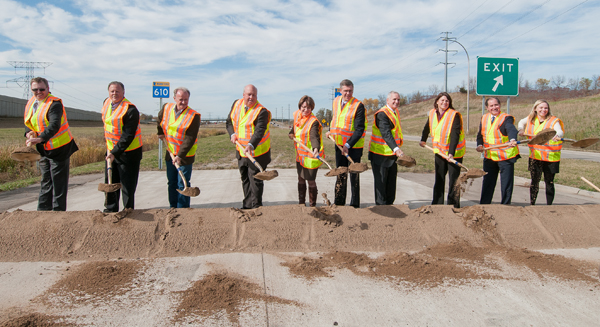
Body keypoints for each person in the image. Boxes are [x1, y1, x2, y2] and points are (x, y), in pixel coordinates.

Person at [24, 77, 79, 211]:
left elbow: (54, 125)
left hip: (60, 148)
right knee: (46, 181)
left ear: (48, 89)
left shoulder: (54, 103)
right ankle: (43, 212)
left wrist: (41, 138)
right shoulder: (32, 102)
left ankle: (58, 214)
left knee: (58, 183)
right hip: (43, 148)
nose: (38, 92)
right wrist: (28, 133)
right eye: (35, 89)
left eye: (42, 89)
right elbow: (28, 122)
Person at [226, 84, 271, 209]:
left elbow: (259, 131)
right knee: (245, 179)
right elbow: (229, 122)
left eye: (254, 95)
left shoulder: (261, 111)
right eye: (249, 94)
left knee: (255, 180)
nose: (251, 97)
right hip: (241, 152)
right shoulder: (236, 104)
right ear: (243, 95)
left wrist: (251, 145)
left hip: (258, 153)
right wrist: (232, 133)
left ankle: (256, 208)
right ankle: (247, 206)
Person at [101, 81, 143, 212]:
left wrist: (115, 152)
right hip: (111, 151)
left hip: (129, 153)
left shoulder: (130, 109)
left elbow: (128, 136)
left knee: (127, 185)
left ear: (123, 93)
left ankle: (128, 210)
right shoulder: (106, 103)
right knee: (111, 181)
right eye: (112, 91)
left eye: (117, 91)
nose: (114, 93)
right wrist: (111, 151)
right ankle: (110, 209)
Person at [419, 92, 466, 208]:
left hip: (454, 154)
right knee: (439, 179)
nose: (444, 102)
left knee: (454, 181)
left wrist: (451, 153)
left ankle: (453, 205)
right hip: (439, 153)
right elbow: (427, 127)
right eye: (442, 100)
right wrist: (423, 139)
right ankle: (437, 204)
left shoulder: (454, 115)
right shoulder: (432, 113)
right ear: (437, 102)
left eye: (447, 101)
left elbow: (455, 134)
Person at [325, 79, 366, 208]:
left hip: (353, 147)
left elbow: (359, 129)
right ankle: (339, 204)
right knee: (340, 175)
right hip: (339, 146)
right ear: (340, 91)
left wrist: (348, 145)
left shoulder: (358, 105)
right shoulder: (336, 102)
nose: (348, 93)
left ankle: (354, 206)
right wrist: (329, 130)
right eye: (346, 91)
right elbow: (335, 119)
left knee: (354, 177)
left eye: (350, 91)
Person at [157, 87, 200, 208]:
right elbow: (160, 119)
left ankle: (183, 210)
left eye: (186, 100)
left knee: (183, 184)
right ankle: (173, 207)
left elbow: (190, 138)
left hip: (185, 155)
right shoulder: (166, 108)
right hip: (170, 151)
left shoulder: (193, 115)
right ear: (174, 98)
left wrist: (180, 156)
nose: (184, 102)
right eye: (181, 99)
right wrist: (160, 131)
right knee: (172, 182)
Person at [517, 100, 564, 205]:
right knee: (534, 182)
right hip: (535, 156)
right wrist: (520, 129)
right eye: (541, 108)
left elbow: (559, 131)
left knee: (549, 182)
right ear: (535, 109)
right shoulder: (530, 118)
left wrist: (558, 136)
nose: (543, 110)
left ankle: (549, 205)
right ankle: (532, 204)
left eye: (545, 108)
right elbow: (521, 122)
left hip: (550, 157)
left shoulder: (553, 120)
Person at [476, 97, 520, 204]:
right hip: (489, 156)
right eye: (491, 106)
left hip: (505, 156)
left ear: (500, 105)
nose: (494, 107)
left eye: (496, 105)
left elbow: (511, 129)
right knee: (488, 182)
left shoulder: (506, 118)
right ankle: (484, 205)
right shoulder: (484, 118)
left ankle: (505, 205)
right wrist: (479, 145)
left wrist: (513, 139)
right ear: (487, 108)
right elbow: (480, 135)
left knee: (506, 183)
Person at [368, 91, 404, 205]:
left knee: (391, 184)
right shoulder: (382, 114)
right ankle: (381, 209)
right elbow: (386, 133)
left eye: (398, 99)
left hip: (391, 155)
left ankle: (390, 207)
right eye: (394, 99)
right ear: (387, 100)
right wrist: (396, 148)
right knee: (381, 184)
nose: (396, 101)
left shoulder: (395, 112)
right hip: (379, 154)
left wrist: (395, 150)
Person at [289, 95, 324, 207]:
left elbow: (314, 136)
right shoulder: (297, 116)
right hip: (300, 156)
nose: (305, 110)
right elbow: (295, 127)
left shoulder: (313, 121)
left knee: (311, 181)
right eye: (303, 107)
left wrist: (315, 149)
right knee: (300, 179)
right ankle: (301, 204)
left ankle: (312, 205)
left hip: (310, 157)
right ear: (300, 106)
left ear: (312, 108)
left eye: (308, 108)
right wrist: (291, 133)